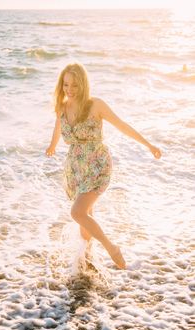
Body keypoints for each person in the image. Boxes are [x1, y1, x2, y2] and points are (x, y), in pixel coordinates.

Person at [46, 62, 161, 270]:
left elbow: (122, 125)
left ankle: (111, 248)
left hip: (97, 165)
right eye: (65, 85)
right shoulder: (62, 107)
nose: (69, 90)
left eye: (74, 86)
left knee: (77, 213)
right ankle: (88, 260)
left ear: (83, 85)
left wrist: (148, 145)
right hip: (76, 168)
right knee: (86, 217)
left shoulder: (96, 105)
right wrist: (52, 145)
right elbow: (57, 129)